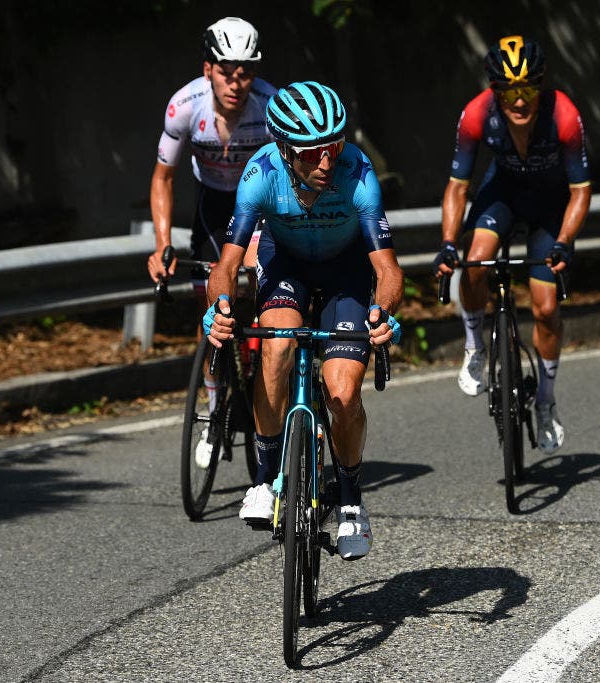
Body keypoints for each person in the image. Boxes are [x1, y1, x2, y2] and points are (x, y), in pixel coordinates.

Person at [203, 81, 404, 561]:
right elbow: (226, 267)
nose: (327, 161)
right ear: (285, 150)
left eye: (333, 145)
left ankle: (352, 500)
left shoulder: (357, 172)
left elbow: (388, 270)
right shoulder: (260, 175)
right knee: (276, 348)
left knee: (342, 392)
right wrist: (219, 308)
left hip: (346, 272)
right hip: (286, 265)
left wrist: (384, 311)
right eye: (313, 153)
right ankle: (265, 479)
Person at [434, 35, 591, 455]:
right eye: (508, 92)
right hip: (502, 194)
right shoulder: (476, 115)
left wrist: (563, 243)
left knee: (545, 308)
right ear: (495, 91)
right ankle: (474, 345)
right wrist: (448, 242)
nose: (519, 102)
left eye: (527, 90)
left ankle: (545, 400)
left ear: (540, 85)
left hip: (550, 206)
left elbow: (581, 191)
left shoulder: (564, 115)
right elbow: (457, 185)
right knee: (475, 260)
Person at [145, 17, 275, 466]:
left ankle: (263, 361)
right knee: (212, 310)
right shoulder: (184, 107)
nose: (236, 82)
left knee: (264, 280)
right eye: (226, 71)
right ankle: (216, 403)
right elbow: (163, 178)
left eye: (245, 72)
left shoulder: (270, 107)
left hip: (260, 202)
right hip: (213, 206)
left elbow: (292, 181)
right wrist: (163, 243)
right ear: (208, 70)